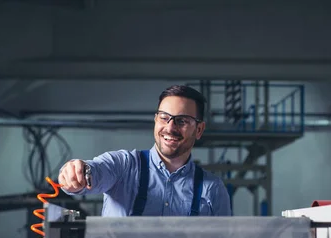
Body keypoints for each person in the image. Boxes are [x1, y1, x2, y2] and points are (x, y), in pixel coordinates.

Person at [58, 85, 232, 216]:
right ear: (156, 120)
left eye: (182, 121)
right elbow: (94, 171)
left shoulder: (213, 189)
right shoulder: (123, 166)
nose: (170, 128)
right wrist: (74, 172)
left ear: (199, 129)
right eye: (164, 118)